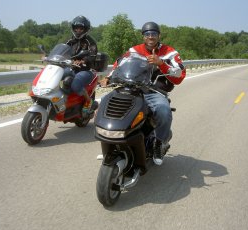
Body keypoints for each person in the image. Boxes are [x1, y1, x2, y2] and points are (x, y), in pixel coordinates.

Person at [101, 22, 186, 165]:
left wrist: (161, 64)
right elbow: (119, 63)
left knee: (163, 111)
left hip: (154, 91)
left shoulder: (169, 52)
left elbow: (180, 74)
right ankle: (112, 144)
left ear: (159, 35)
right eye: (147, 34)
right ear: (143, 36)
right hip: (132, 88)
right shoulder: (134, 50)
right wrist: (108, 78)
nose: (151, 37)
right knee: (106, 103)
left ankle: (159, 143)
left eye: (153, 34)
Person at [64, 15, 98, 115]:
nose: (78, 30)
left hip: (86, 70)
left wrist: (83, 61)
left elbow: (93, 55)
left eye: (81, 28)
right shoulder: (70, 41)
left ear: (85, 29)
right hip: (72, 68)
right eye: (76, 28)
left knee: (76, 84)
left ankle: (88, 101)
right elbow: (62, 50)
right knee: (58, 75)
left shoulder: (90, 42)